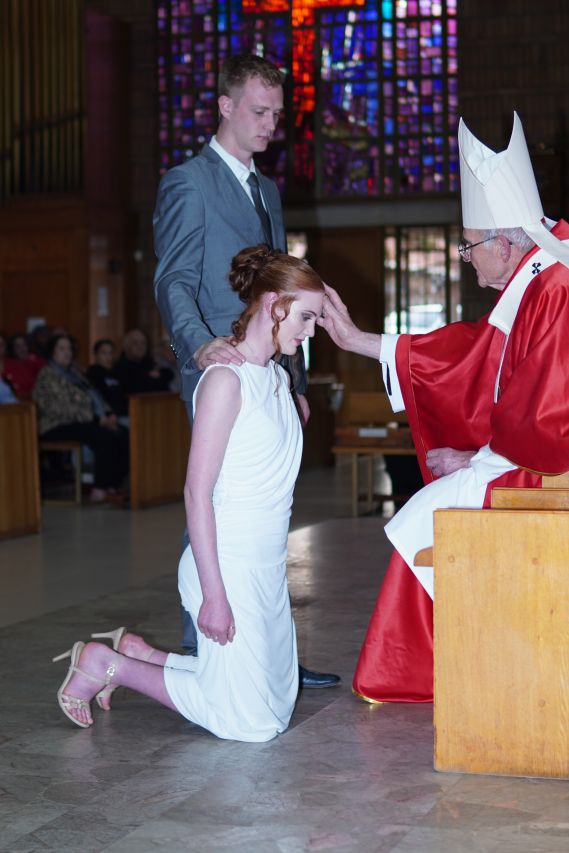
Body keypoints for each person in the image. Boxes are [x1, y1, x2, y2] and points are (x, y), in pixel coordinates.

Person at [318, 112, 569, 704]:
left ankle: (421, 674)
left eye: (468, 245)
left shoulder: (554, 286)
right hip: (530, 457)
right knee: (425, 512)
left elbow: (546, 415)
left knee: (426, 517)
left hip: (545, 470)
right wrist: (361, 342)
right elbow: (475, 355)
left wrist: (477, 459)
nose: (464, 256)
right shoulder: (538, 278)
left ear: (503, 244)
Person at [53, 247, 327, 740]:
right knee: (252, 723)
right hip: (225, 563)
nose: (310, 331)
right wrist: (214, 595)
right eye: (306, 317)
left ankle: (141, 653)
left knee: (278, 700)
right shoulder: (225, 380)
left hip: (266, 564)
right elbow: (196, 493)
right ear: (272, 303)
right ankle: (107, 665)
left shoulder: (278, 379)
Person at [153, 53, 339, 688]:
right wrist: (199, 345)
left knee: (267, 506)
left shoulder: (268, 190)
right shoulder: (188, 182)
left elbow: (284, 292)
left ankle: (267, 646)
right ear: (225, 106)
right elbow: (173, 279)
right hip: (221, 365)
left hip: (269, 369)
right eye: (259, 112)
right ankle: (209, 652)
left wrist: (295, 379)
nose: (270, 125)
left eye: (277, 115)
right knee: (216, 498)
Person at [33, 334, 129, 503]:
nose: (67, 352)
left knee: (124, 434)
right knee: (103, 436)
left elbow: (95, 396)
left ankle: (112, 485)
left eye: (69, 349)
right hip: (55, 425)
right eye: (62, 349)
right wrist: (97, 419)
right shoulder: (47, 375)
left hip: (83, 421)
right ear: (52, 352)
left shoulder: (74, 373)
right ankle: (99, 488)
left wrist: (108, 414)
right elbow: (59, 408)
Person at [115, 329, 173, 396]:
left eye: (143, 343)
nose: (140, 346)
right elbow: (136, 387)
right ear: (126, 346)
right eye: (135, 343)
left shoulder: (149, 362)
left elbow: (169, 374)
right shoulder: (120, 367)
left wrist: (160, 374)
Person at [86, 339, 129, 425]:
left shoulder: (118, 373)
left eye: (110, 353)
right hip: (109, 417)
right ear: (96, 355)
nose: (108, 357)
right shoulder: (93, 374)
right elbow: (99, 398)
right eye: (104, 353)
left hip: (124, 413)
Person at [3, 333, 45, 397]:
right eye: (18, 346)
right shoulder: (8, 365)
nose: (22, 349)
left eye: (24, 345)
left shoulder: (38, 361)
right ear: (12, 349)